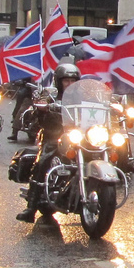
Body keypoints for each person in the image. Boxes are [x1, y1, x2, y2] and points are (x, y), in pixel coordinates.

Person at [16, 63, 81, 223]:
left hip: (80, 135)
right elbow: (37, 110)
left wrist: (112, 106)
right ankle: (31, 208)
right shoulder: (50, 94)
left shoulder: (83, 96)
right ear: (59, 81)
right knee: (43, 161)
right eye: (66, 81)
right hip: (54, 135)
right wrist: (41, 107)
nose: (70, 84)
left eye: (73, 81)